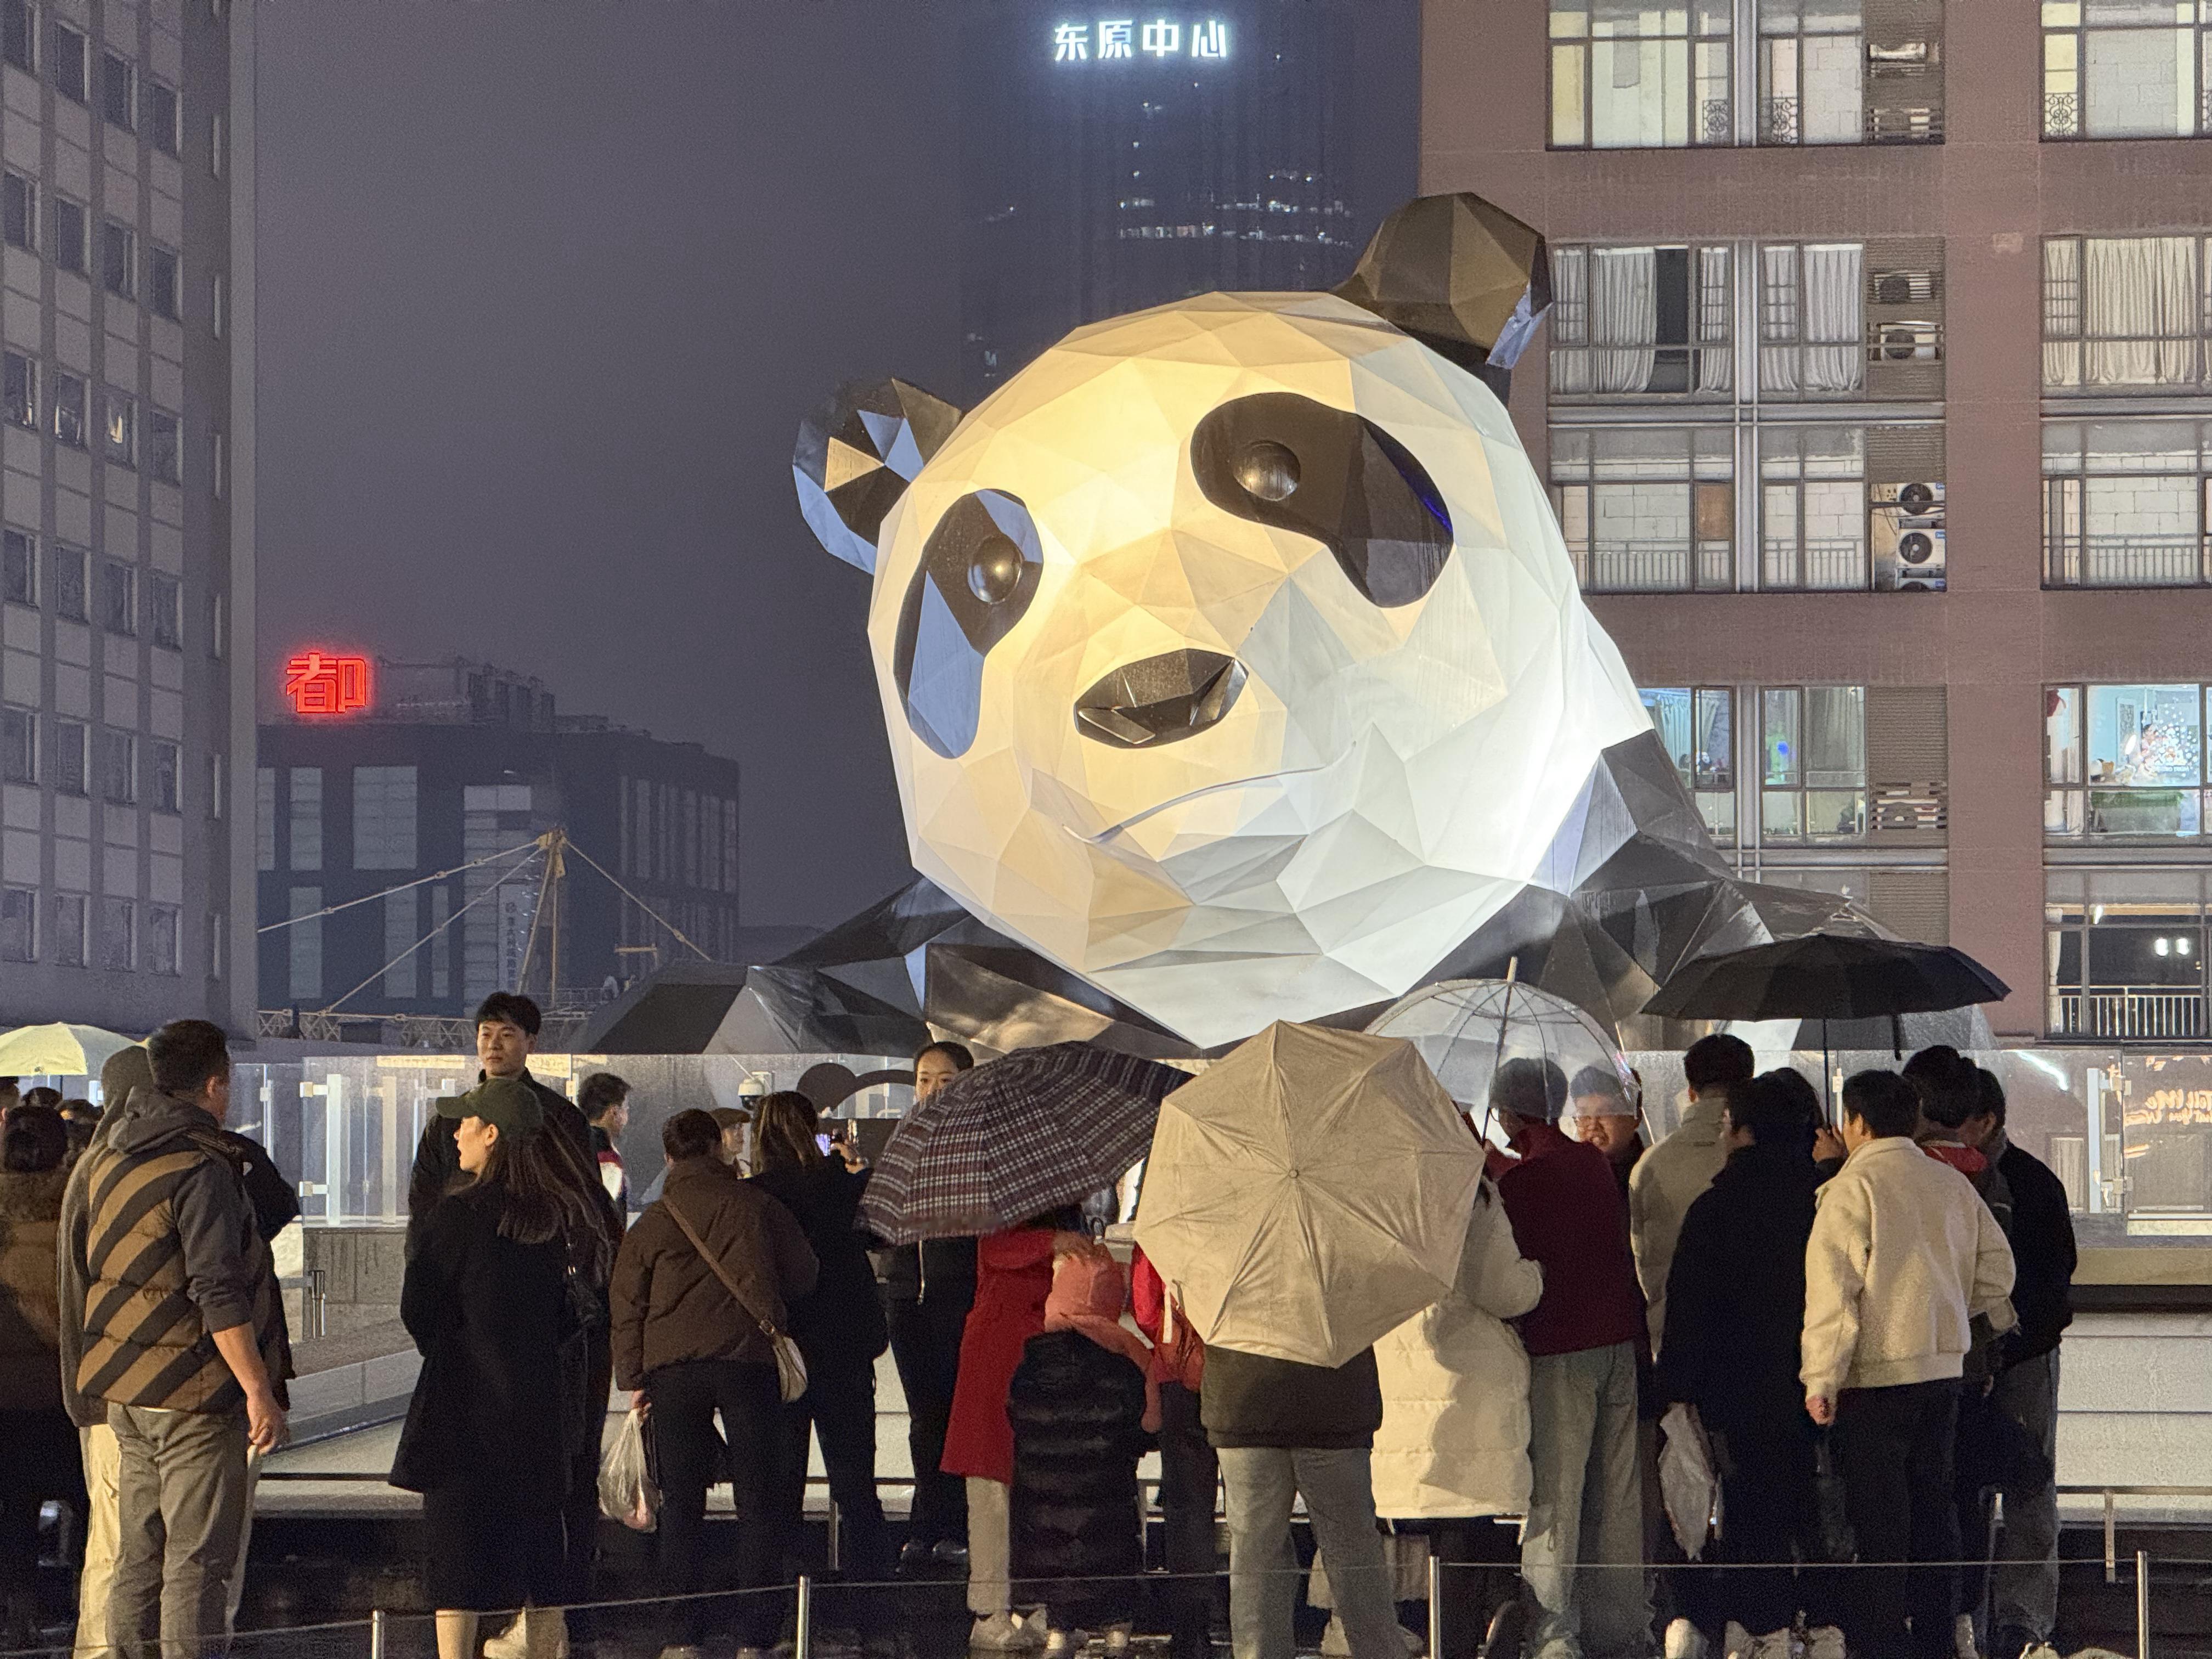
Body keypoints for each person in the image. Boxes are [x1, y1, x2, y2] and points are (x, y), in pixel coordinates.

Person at [409, 992, 623, 1641]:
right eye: (484, 1033)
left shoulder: (557, 1121)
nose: (492, 1044)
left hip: (507, 1354)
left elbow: (593, 1225)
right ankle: (540, 1626)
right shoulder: (454, 1126)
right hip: (529, 1353)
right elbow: (422, 1222)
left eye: (505, 1033)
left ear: (529, 1041)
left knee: (538, 1494)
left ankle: (544, 1624)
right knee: (534, 1490)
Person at [75, 1020, 290, 1659]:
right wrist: (258, 1390)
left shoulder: (112, 1157)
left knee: (140, 1554)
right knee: (198, 1562)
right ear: (216, 1084)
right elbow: (218, 1290)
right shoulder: (201, 1166)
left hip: (128, 1390)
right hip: (194, 1393)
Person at [1803, 1070, 2017, 1659]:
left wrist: (1821, 1377)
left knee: (1879, 1522)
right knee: (1936, 1511)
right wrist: (1947, 1305)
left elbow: (1833, 1294)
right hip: (1945, 1372)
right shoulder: (1950, 1184)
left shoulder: (1852, 1189)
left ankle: (1877, 1644)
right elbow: (2000, 1273)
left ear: (1858, 1123)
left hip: (1874, 1378)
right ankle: (1936, 1637)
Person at [611, 1108, 818, 1659]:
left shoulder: (652, 1223)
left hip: (672, 1373)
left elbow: (627, 1303)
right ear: (718, 1149)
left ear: (670, 1156)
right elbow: (804, 1274)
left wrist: (633, 1376)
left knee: (682, 1502)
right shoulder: (758, 1206)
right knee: (759, 1499)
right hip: (747, 1364)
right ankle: (758, 1635)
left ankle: (682, 1634)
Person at [1657, 1075, 1835, 1659]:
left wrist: (1676, 1388)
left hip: (1737, 1389)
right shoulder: (1825, 1199)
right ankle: (1825, 1623)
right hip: (1821, 1381)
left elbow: (1689, 1306)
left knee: (1751, 1508)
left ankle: (1762, 1628)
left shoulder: (1715, 1208)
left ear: (1745, 1131)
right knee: (1817, 1504)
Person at [1489, 1057, 1650, 1659]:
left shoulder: (1518, 1184)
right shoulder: (1591, 1164)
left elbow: (1514, 1268)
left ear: (1509, 1112)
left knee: (1556, 1496)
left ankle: (1557, 1634)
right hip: (1618, 1343)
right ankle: (1621, 1631)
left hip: (1559, 1349)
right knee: (1617, 1497)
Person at [1368, 1171, 1543, 1659]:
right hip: (1465, 1382)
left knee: (1441, 1527)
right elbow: (1505, 1290)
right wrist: (1537, 1275)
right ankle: (1484, 1622)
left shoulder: (1374, 1194)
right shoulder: (1467, 1191)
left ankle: (1453, 1637)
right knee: (1467, 1523)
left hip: (1399, 1375)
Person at [746, 1091, 892, 1585]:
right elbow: (879, 1240)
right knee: (856, 1483)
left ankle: (787, 1598)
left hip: (782, 1350)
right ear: (814, 1131)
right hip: (846, 1348)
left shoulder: (756, 1196)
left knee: (780, 1484)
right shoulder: (846, 1187)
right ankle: (872, 1600)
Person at [1960, 1071, 2075, 1659]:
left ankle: (2018, 1622)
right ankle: (1997, 1621)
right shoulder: (2032, 1181)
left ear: (1985, 1122)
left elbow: (2054, 1282)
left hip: (2016, 1359)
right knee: (2016, 1483)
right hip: (2016, 1355)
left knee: (2023, 1485)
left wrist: (2009, 1342)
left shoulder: (2026, 1183)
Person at [945, 1206, 1087, 1650]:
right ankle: (989, 1610)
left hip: (1037, 1362)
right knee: (991, 1492)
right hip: (996, 1363)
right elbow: (997, 1247)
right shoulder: (999, 1220)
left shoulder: (1056, 1223)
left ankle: (1033, 1603)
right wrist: (1053, 1243)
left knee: (1037, 1491)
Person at [1006, 1243, 1156, 1655]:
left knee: (1059, 1569)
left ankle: (1059, 1631)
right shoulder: (1127, 1362)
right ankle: (1117, 1632)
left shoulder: (1030, 1361)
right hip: (1108, 1502)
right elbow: (1147, 1428)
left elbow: (1015, 1416)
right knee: (1110, 1560)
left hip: (1043, 1510)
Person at [876, 1041, 979, 1574]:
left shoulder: (980, 1143)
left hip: (959, 1294)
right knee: (924, 1419)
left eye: (945, 1079)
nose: (933, 1089)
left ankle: (956, 1525)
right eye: (923, 1079)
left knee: (958, 1416)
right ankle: (926, 1524)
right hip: (906, 1296)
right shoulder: (904, 1139)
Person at [0, 1104, 82, 1647]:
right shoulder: (79, 1221)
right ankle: (87, 1603)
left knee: (15, 1509)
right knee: (88, 1502)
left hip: (6, 1401)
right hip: (70, 1397)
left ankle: (20, 1614)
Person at [1630, 1034, 1753, 1357]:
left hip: (1672, 1333)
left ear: (1690, 1091)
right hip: (1750, 1338)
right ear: (1748, 1085)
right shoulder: (1764, 1158)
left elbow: (1642, 1255)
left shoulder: (1650, 1164)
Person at [1132, 1249, 1217, 1659]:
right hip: (1234, 1372)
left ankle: (1193, 1629)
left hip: (1178, 1376)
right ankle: (1253, 1623)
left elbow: (1146, 1308)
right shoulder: (1236, 1217)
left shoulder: (1160, 1228)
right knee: (1255, 1509)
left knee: (1188, 1508)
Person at [1567, 1067, 1644, 1201]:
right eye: (1583, 1115)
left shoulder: (1654, 1175)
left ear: (1635, 1117)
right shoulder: (1568, 1178)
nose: (1592, 1125)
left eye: (1605, 1113)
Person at [582, 1071, 633, 1209]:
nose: (627, 1115)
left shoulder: (573, 1144)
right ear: (614, 1112)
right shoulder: (607, 1159)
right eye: (626, 1109)